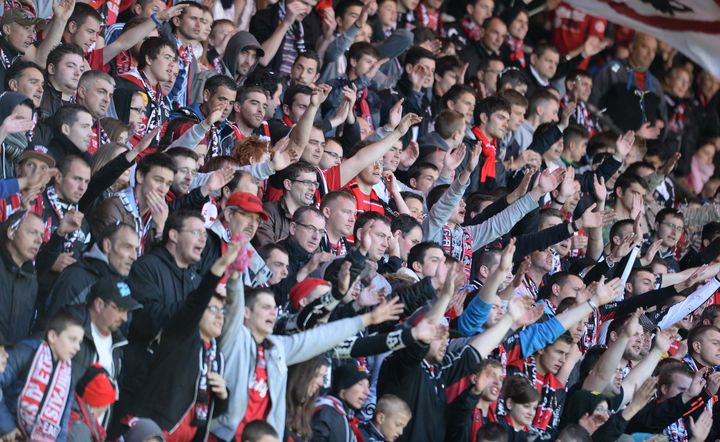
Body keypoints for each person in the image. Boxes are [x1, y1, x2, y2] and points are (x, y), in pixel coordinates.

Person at [0, 309, 84, 441]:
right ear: (52, 336)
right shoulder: (27, 352)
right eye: (72, 339)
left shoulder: (68, 376)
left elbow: (62, 423)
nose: (78, 347)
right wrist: (6, 426)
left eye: (79, 342)